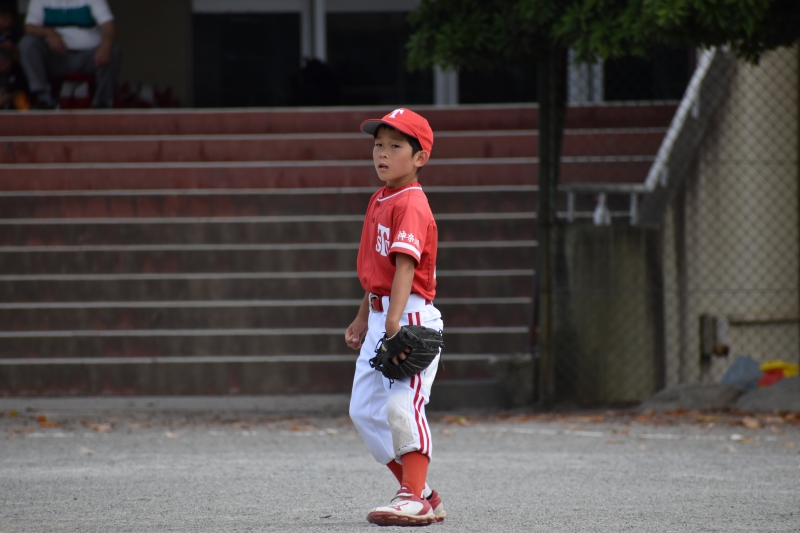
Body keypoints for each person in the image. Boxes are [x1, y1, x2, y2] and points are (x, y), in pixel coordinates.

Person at [345, 108, 446, 526]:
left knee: (403, 404)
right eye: (378, 144)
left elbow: (405, 266)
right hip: (382, 314)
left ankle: (411, 497)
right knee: (365, 412)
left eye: (395, 145)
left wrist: (393, 323)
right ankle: (422, 494)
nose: (382, 153)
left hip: (410, 318)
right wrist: (363, 317)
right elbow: (379, 271)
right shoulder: (381, 198)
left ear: (420, 158)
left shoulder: (412, 202)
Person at [18, 0, 119, 108]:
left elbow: (108, 25)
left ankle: (102, 103)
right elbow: (29, 27)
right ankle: (44, 100)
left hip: (90, 57)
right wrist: (49, 32)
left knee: (113, 50)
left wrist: (105, 46)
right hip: (57, 58)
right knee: (27, 44)